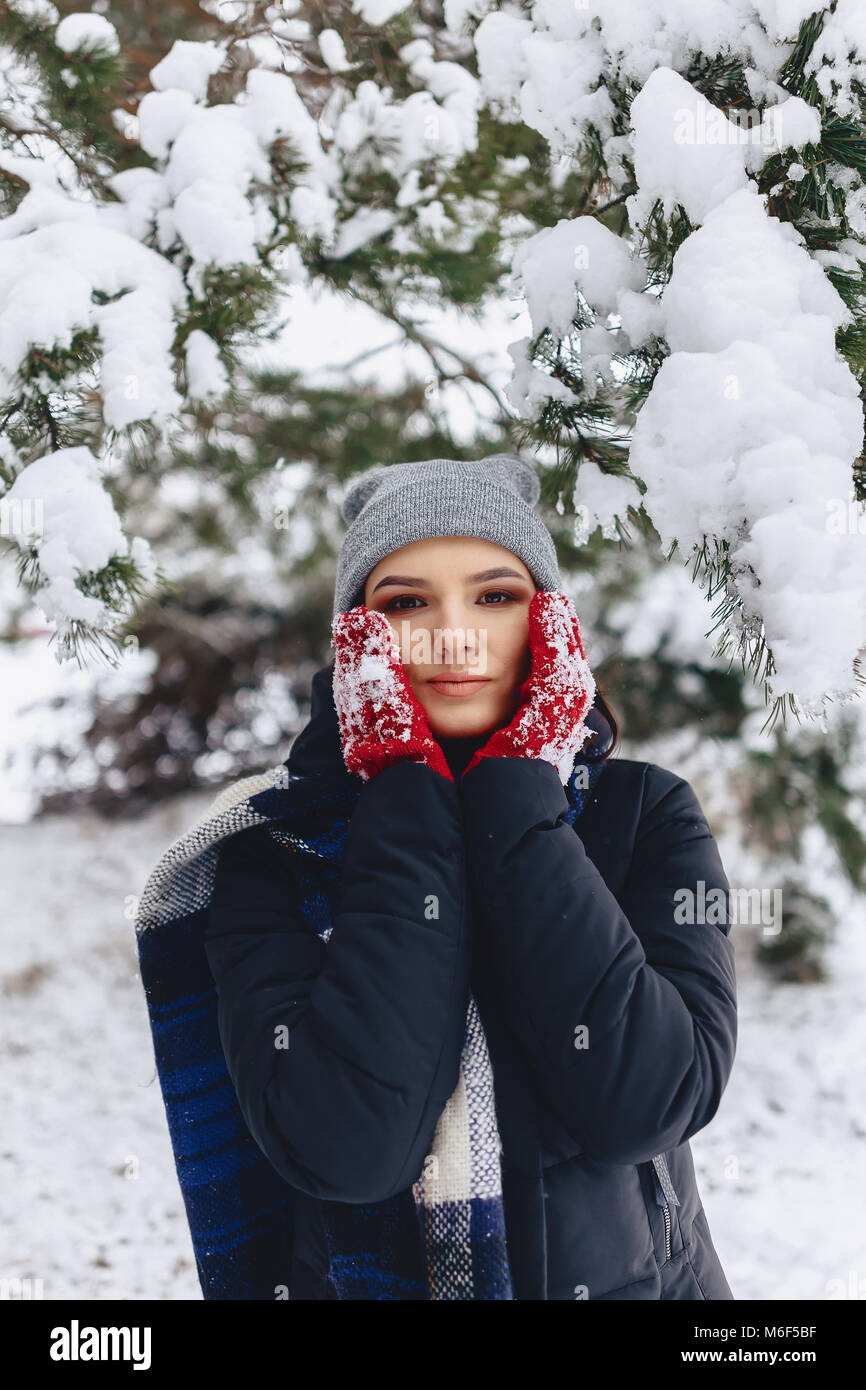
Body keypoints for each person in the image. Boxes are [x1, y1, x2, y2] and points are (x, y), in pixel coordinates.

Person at [136, 452, 737, 1301]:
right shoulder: (272, 851)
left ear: (549, 624)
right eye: (405, 602)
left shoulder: (645, 814)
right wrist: (407, 798)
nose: (452, 632)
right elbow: (348, 1148)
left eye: (496, 596)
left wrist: (515, 799)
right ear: (357, 639)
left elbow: (650, 1100)